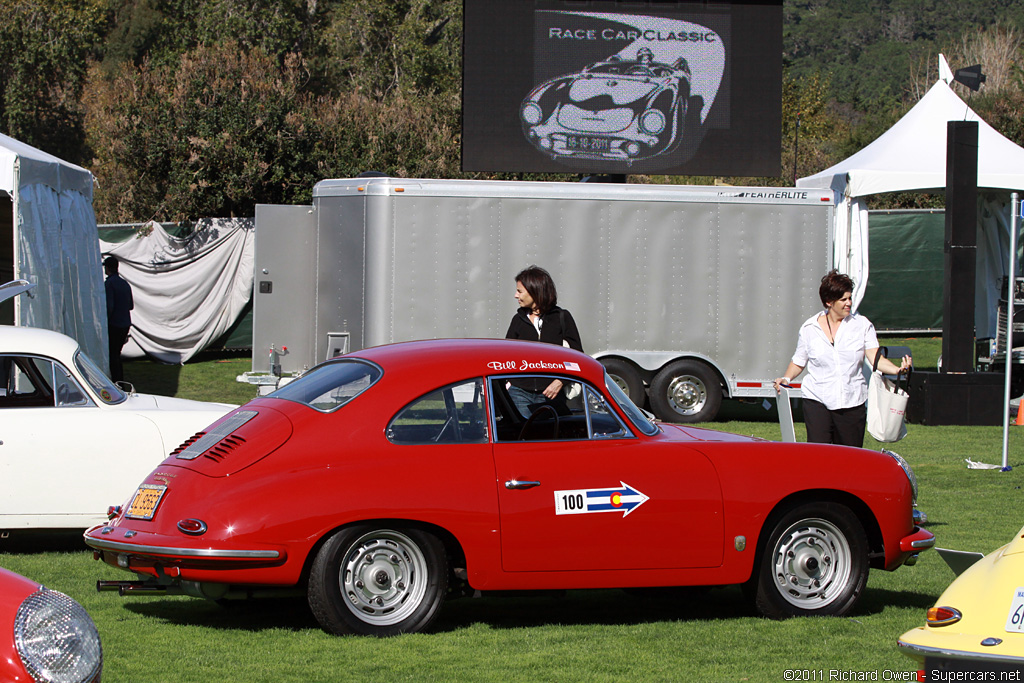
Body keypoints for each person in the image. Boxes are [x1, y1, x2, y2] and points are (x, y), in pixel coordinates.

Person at [773, 270, 910, 447]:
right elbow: (799, 361)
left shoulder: (862, 325)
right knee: (818, 456)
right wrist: (785, 378)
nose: (849, 303)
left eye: (850, 298)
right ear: (829, 302)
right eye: (843, 300)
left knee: (850, 458)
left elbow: (875, 357)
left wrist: (897, 370)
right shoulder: (809, 328)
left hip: (852, 401)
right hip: (817, 399)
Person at [504, 265, 583, 417]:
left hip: (551, 395)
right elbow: (506, 356)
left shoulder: (562, 317)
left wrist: (560, 381)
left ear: (535, 291)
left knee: (548, 437)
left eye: (520, 291)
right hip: (519, 393)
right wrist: (509, 384)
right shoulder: (518, 320)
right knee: (524, 437)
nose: (515, 295)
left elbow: (577, 357)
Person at [104, 255, 134, 382]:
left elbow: (109, 306)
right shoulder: (125, 283)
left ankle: (116, 380)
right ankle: (119, 378)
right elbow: (130, 305)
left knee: (113, 354)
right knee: (117, 353)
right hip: (125, 323)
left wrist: (106, 320)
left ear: (108, 268)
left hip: (114, 324)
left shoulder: (109, 284)